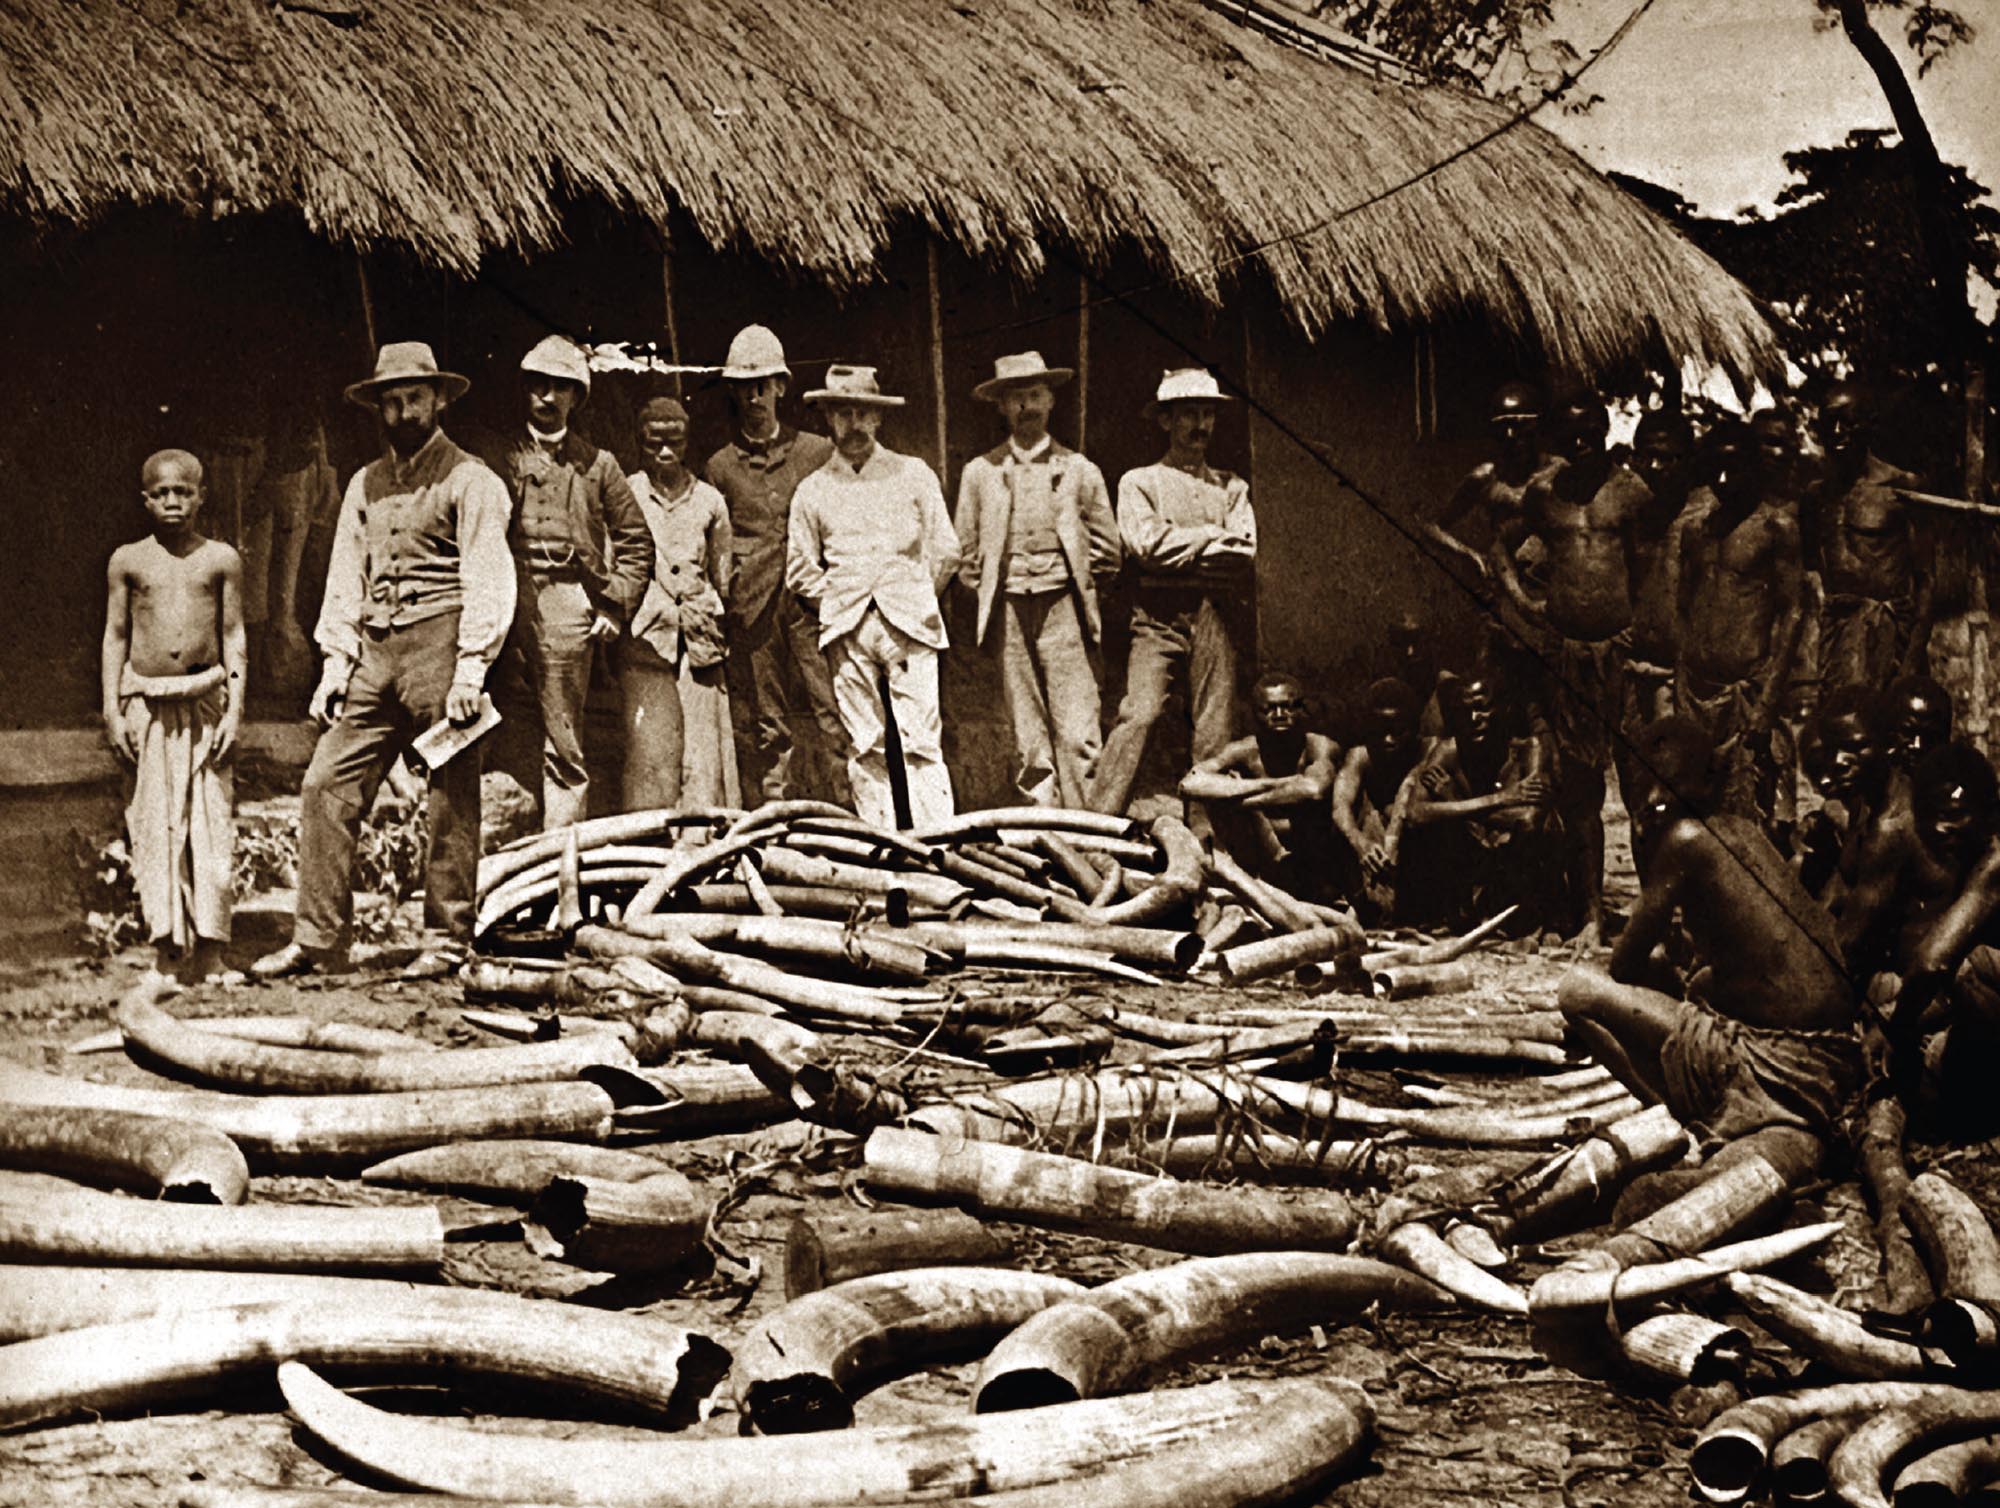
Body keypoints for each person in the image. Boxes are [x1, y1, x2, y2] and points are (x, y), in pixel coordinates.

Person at [253, 343, 515, 980]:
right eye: (391, 401)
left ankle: (447, 939)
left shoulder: (472, 480)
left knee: (449, 794)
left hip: (442, 645)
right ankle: (318, 940)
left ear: (438, 399)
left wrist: (470, 670)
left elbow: (488, 576)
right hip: (375, 649)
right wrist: (336, 664)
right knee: (325, 783)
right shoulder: (362, 483)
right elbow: (346, 576)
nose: (402, 412)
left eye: (414, 399)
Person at [1558, 717, 1862, 1183]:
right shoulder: (1742, 830)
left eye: (1666, 788)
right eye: (1649, 790)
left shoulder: (1685, 840)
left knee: (1576, 992)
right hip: (1837, 1051)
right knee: (1693, 982)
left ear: (1702, 783)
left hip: (1782, 1058)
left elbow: (1623, 964)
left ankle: (1684, 1124)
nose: (1656, 801)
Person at [1496, 387, 1653, 946]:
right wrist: (1524, 603)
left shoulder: (1632, 493)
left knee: (1641, 792)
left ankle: (1649, 919)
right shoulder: (1543, 496)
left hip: (1622, 658)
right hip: (1567, 657)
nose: (1582, 442)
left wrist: (1639, 630)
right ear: (1558, 440)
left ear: (1607, 430)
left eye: (1592, 431)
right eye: (1572, 434)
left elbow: (1650, 567)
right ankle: (1591, 916)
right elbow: (1503, 544)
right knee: (1580, 793)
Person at [485, 335, 650, 831]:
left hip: (565, 605)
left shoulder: (599, 465)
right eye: (538, 386)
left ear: (576, 397)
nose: (547, 397)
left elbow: (637, 541)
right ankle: (501, 852)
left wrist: (612, 606)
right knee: (497, 727)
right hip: (503, 600)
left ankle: (561, 866)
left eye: (560, 388)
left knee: (563, 742)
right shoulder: (499, 458)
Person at [785, 364, 961, 829]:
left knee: (921, 740)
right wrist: (840, 601)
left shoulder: (912, 475)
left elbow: (946, 551)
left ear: (879, 418)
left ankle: (938, 845)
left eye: (863, 413)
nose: (854, 424)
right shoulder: (814, 489)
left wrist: (915, 597)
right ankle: (882, 843)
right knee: (865, 744)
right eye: (843, 414)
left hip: (910, 626)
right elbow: (800, 569)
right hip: (847, 629)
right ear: (828, 419)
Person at [101, 449, 246, 982]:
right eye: (160, 493)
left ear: (201, 496)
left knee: (210, 827)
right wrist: (112, 711)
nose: (172, 502)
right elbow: (115, 636)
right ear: (145, 500)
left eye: (182, 492)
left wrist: (235, 712)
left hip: (207, 701)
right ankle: (166, 954)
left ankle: (212, 955)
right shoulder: (129, 560)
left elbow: (233, 635)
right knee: (154, 825)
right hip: (146, 705)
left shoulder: (221, 559)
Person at [954, 352, 1120, 808]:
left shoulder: (1079, 470)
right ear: (1001, 408)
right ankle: (1044, 823)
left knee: (1077, 725)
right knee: (1026, 727)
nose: (1026, 406)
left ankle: (1089, 823)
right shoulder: (980, 473)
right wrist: (990, 586)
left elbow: (1108, 551)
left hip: (1062, 607)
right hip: (1008, 609)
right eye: (1015, 398)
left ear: (1050, 400)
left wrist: (1077, 586)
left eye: (1034, 395)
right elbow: (964, 550)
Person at [1092, 369, 1256, 818]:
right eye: (1189, 415)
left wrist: (1179, 543)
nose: (1200, 426)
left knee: (1214, 731)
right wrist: (1208, 535)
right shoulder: (1139, 482)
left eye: (1208, 415)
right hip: (1157, 616)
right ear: (1166, 422)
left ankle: (1208, 838)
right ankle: (1097, 826)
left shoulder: (1232, 486)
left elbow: (1242, 549)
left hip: (1214, 614)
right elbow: (1145, 545)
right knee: (1139, 714)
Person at [705, 326, 849, 807]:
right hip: (755, 610)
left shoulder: (815, 452)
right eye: (745, 386)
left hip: (812, 606)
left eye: (763, 384)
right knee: (769, 721)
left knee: (833, 707)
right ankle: (775, 820)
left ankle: (850, 813)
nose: (754, 396)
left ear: (781, 387)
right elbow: (718, 543)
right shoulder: (721, 466)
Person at [1668, 419, 1805, 833]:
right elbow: (1685, 606)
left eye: (1735, 469)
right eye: (1715, 470)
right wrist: (1680, 677)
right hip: (1696, 692)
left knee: (1758, 815)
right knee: (1696, 809)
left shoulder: (1776, 528)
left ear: (1755, 468)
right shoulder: (1697, 529)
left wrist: (1766, 702)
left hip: (1748, 692)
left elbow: (1793, 613)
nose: (1724, 480)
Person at [1873, 743, 2000, 1140]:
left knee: (1967, 970)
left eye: (1956, 816)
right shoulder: (1971, 856)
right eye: (1933, 818)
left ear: (1987, 812)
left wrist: (1892, 1028)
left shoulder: (1994, 860)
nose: (1942, 828)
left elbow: (1933, 962)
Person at [619, 397, 739, 810]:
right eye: (655, 444)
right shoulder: (625, 492)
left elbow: (722, 572)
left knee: (702, 750)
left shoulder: (709, 500)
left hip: (699, 640)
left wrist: (705, 611)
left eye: (675, 442)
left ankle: (701, 842)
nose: (666, 453)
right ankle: (648, 844)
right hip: (646, 639)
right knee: (649, 746)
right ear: (641, 443)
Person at [1399, 671, 1559, 930]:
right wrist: (1501, 799)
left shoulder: (1530, 749)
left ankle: (1524, 917)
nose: (1474, 719)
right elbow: (1415, 813)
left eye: (1482, 709)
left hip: (1515, 865)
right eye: (1465, 711)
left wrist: (1453, 801)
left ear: (1503, 709)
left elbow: (1528, 821)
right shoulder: (1450, 750)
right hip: (1473, 857)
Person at [1424, 379, 1555, 692]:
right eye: (1501, 429)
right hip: (1501, 598)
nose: (1510, 438)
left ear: (1536, 426)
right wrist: (1471, 556)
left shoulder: (1559, 475)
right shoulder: (1486, 478)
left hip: (1548, 595)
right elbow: (1431, 526)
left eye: (1518, 426)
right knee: (1497, 687)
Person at [1179, 670, 1341, 904]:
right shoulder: (1244, 751)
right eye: (1269, 709)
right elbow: (1190, 783)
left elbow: (1313, 790)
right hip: (1261, 857)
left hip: (1314, 861)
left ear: (1301, 709)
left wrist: (1235, 797)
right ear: (1255, 714)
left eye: (1287, 707)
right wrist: (1279, 785)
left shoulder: (1320, 746)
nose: (1279, 715)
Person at [1812, 381, 1930, 691]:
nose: (1837, 432)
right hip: (1837, 643)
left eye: (1847, 421)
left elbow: (1927, 584)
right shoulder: (1817, 496)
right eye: (1828, 422)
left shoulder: (1902, 489)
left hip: (1892, 641)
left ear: (1869, 424)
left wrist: (1910, 663)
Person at [1330, 677, 1430, 918]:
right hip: (1373, 853)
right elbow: (1340, 807)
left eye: (1397, 732)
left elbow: (1412, 804)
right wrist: (1361, 844)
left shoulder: (1429, 751)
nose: (1388, 740)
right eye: (1380, 732)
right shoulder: (1360, 757)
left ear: (1414, 729)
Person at [1623, 408, 1695, 731]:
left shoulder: (1707, 519)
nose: (1654, 468)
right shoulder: (1626, 515)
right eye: (1646, 457)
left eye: (1667, 459)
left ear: (1688, 460)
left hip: (1685, 681)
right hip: (1632, 672)